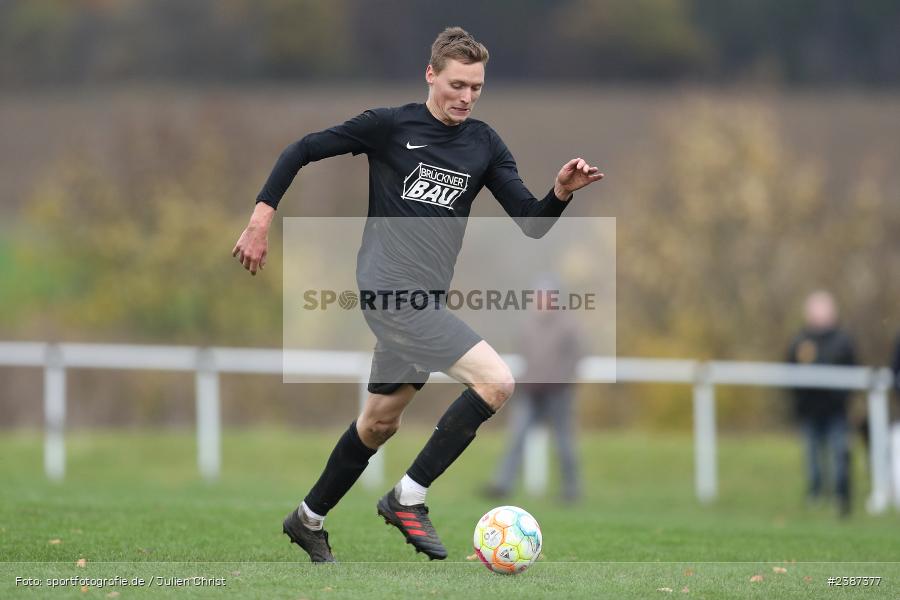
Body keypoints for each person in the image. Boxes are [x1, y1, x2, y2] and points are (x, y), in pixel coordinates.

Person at [231, 27, 604, 562]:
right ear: (431, 74)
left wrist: (561, 192)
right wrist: (260, 219)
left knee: (379, 422)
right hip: (387, 291)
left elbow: (531, 222)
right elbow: (302, 149)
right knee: (497, 382)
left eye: (476, 87)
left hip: (425, 301)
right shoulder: (390, 126)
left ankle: (307, 519)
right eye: (457, 84)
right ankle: (408, 497)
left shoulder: (484, 144)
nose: (466, 97)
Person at [483, 276, 585, 502]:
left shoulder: (569, 326)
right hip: (530, 392)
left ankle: (571, 490)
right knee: (516, 438)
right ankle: (502, 485)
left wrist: (559, 380)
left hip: (558, 393)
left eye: (546, 296)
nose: (542, 301)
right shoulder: (527, 325)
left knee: (563, 443)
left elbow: (576, 358)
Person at [786, 290, 857, 517]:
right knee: (812, 456)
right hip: (810, 410)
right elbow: (789, 370)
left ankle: (840, 495)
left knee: (839, 454)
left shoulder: (843, 341)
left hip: (836, 410)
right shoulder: (800, 340)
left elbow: (852, 370)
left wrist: (841, 396)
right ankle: (815, 493)